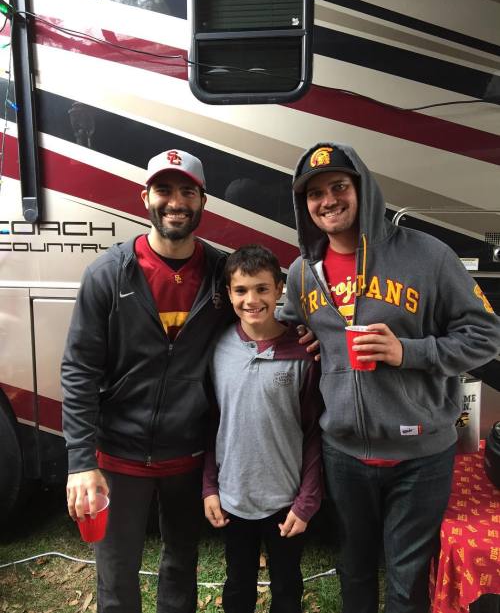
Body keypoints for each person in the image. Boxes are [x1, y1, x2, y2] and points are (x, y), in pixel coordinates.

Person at [280, 142, 500, 613]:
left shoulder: (428, 256)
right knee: (354, 567)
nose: (328, 200)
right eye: (314, 194)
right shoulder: (303, 271)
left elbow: (486, 335)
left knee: (407, 579)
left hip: (421, 455)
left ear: (363, 190)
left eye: (339, 186)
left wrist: (409, 351)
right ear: (305, 205)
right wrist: (307, 338)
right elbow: (289, 324)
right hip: (345, 453)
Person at [61, 149, 234, 613]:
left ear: (202, 202)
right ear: (145, 198)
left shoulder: (223, 275)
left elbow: (263, 320)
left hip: (189, 453)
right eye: (165, 190)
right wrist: (81, 462)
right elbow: (79, 370)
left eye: (187, 191)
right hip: (118, 455)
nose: (175, 201)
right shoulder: (108, 274)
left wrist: (305, 336)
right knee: (116, 577)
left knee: (181, 567)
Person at [202, 244, 323, 613]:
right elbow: (211, 423)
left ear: (279, 288)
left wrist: (307, 501)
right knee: (238, 584)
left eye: (261, 288)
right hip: (234, 498)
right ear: (228, 293)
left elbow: (314, 432)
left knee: (287, 586)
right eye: (240, 290)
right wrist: (209, 487)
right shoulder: (218, 349)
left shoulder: (303, 353)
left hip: (285, 501)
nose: (251, 299)